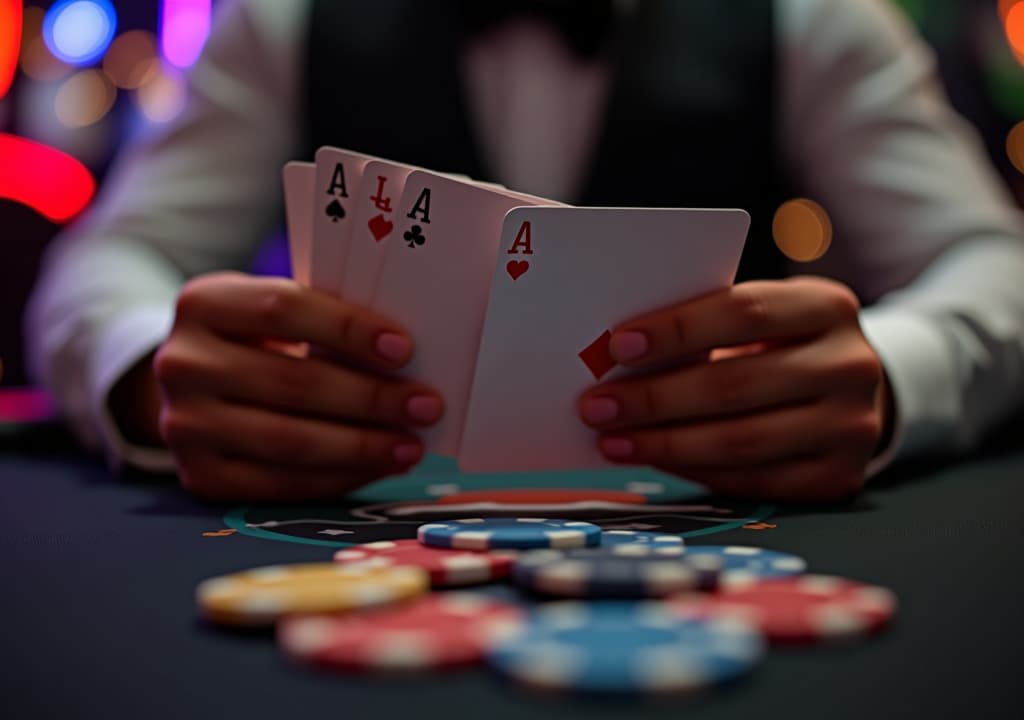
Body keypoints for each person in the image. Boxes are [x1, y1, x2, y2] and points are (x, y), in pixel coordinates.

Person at [25, 0, 1024, 503]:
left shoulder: (811, 14)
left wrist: (896, 372)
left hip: (707, 542)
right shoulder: (283, 16)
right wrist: (149, 370)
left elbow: (994, 262)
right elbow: (102, 268)